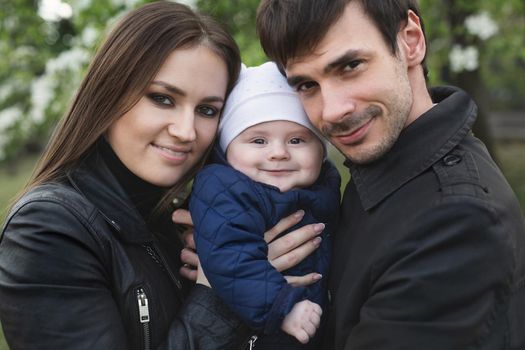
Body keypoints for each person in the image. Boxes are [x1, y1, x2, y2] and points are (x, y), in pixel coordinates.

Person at [0, 2, 320, 349]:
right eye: (163, 99)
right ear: (109, 93)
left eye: (207, 110)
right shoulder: (48, 231)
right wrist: (226, 289)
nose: (186, 131)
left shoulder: (190, 219)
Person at [256, 0, 525, 349]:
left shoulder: (455, 221)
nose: (333, 110)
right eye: (307, 85)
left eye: (351, 66)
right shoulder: (382, 169)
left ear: (410, 41)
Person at [189, 62, 341, 348]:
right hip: (257, 330)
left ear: (321, 152)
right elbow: (229, 256)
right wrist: (283, 306)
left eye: (297, 140)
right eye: (258, 141)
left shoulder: (325, 189)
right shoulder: (224, 189)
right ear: (227, 147)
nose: (279, 153)